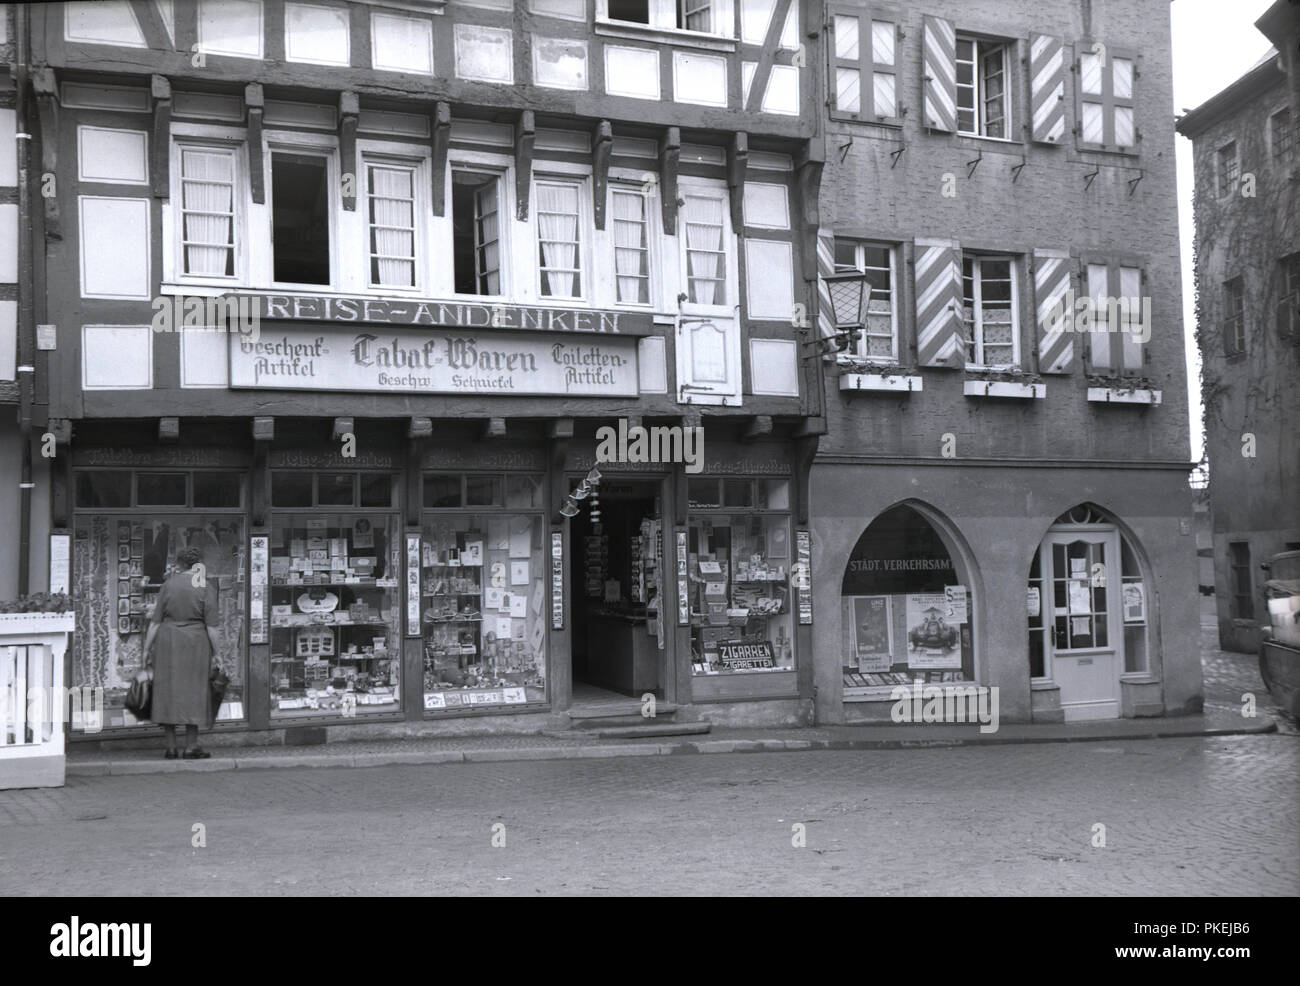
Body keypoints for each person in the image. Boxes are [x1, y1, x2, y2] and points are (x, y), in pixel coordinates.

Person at [142, 546, 221, 760]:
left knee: (166, 691)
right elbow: (212, 626)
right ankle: (191, 746)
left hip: (168, 640)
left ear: (179, 564)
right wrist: (218, 653)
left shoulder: (168, 585)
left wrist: (146, 649)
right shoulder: (205, 586)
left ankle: (170, 747)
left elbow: (155, 621)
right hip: (196, 641)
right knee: (194, 692)